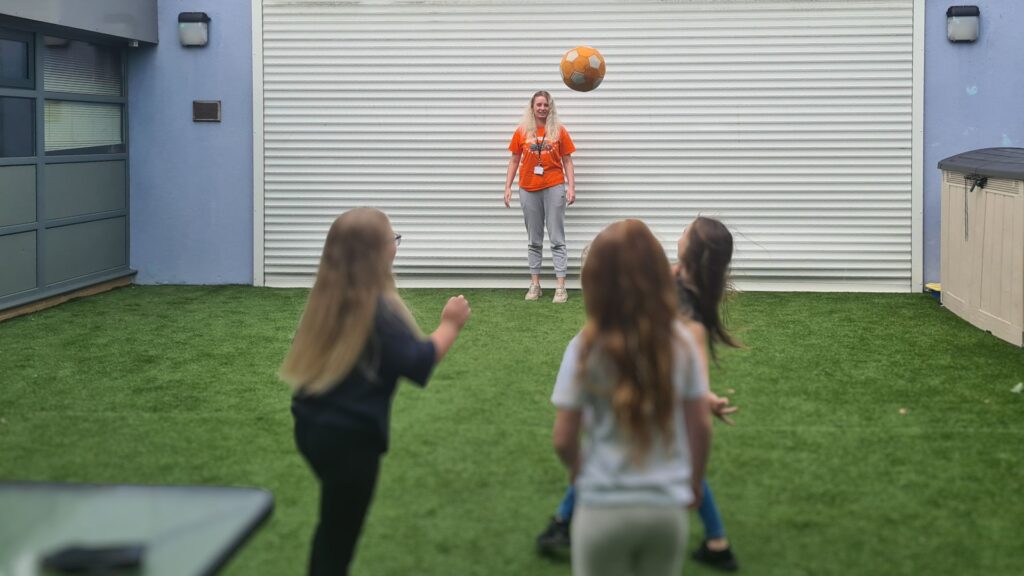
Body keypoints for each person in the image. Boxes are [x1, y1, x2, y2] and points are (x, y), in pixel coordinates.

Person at [538, 216, 742, 572]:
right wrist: (692, 481)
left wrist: (579, 473)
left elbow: (563, 438)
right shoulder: (680, 338)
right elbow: (699, 429)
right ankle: (717, 538)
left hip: (602, 506)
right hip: (665, 511)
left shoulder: (585, 347)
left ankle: (561, 522)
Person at [280, 207, 471, 576]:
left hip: (310, 430)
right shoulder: (378, 312)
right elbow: (418, 363)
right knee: (338, 537)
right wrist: (450, 324)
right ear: (377, 253)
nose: (395, 247)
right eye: (392, 240)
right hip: (349, 445)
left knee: (331, 525)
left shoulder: (327, 302)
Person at [504, 90, 576, 303]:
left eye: (546, 105)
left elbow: (567, 161)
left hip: (554, 186)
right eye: (539, 105)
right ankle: (535, 284)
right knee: (534, 240)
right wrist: (507, 187)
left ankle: (560, 286)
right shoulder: (522, 131)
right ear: (532, 107)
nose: (543, 108)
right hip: (528, 188)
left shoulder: (559, 131)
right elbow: (514, 160)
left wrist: (571, 187)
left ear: (550, 107)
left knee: (556, 238)